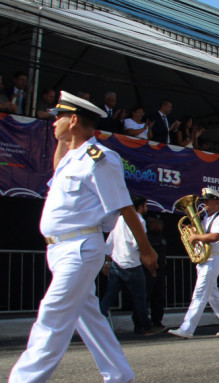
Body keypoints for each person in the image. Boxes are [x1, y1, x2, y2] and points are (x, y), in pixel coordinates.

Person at [9, 91, 158, 382]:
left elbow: (124, 206)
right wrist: (62, 143)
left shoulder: (100, 158)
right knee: (88, 316)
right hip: (60, 249)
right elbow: (57, 175)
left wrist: (146, 249)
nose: (53, 123)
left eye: (58, 118)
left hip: (80, 248)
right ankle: (118, 372)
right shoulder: (70, 158)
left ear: (73, 119)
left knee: (51, 317)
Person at [168, 188, 219, 339]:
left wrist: (196, 237)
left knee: (199, 294)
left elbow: (215, 236)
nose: (205, 204)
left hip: (213, 259)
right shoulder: (205, 219)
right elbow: (201, 236)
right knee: (213, 296)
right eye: (204, 201)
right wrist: (192, 234)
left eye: (207, 201)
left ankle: (187, 328)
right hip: (205, 260)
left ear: (216, 201)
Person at [99, 196, 166, 335]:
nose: (146, 209)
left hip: (116, 263)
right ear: (141, 206)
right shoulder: (138, 220)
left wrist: (107, 261)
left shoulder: (117, 220)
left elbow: (109, 242)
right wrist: (149, 259)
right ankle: (144, 326)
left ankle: (96, 321)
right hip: (132, 264)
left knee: (109, 295)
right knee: (140, 296)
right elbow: (138, 243)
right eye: (146, 206)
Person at [145, 214, 168, 327]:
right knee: (146, 296)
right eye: (157, 223)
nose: (160, 225)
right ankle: (144, 321)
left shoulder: (162, 236)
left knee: (159, 296)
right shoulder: (146, 236)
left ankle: (157, 321)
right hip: (149, 270)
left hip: (160, 270)